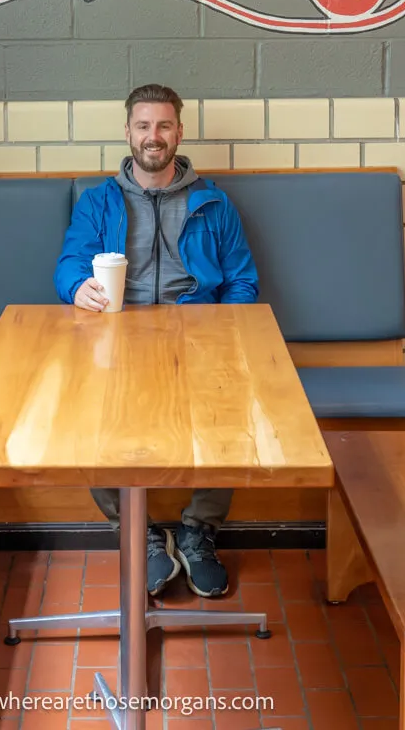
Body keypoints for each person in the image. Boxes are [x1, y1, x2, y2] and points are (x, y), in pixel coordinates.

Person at [54, 83, 259, 600]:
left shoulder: (214, 204)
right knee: (87, 413)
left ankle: (198, 531)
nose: (153, 136)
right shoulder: (98, 202)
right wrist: (79, 288)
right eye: (143, 126)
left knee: (230, 410)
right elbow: (70, 265)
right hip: (117, 335)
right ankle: (138, 532)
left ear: (179, 133)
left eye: (163, 126)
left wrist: (221, 330)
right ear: (127, 133)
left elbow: (243, 280)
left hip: (196, 336)